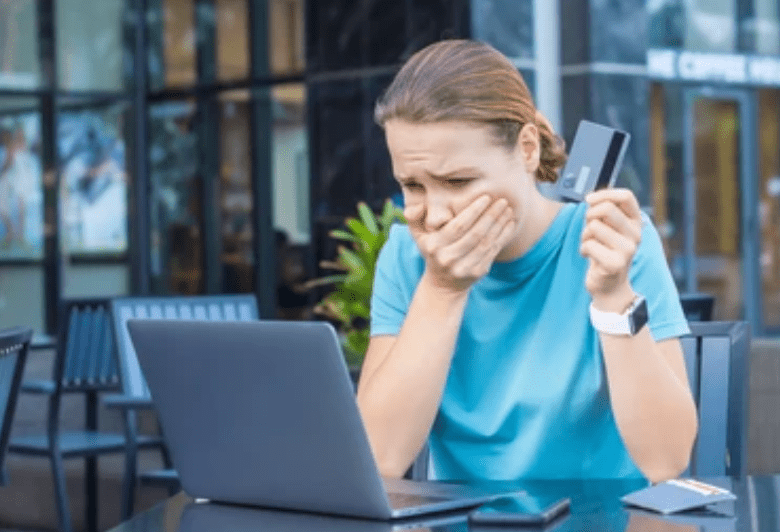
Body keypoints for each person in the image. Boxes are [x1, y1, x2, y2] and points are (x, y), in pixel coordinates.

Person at [356, 39, 698, 484]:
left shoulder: (612, 242)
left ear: (528, 148)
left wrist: (614, 298)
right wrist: (442, 290)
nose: (435, 214)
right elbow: (379, 458)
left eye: (457, 181)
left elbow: (668, 460)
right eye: (413, 185)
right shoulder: (406, 257)